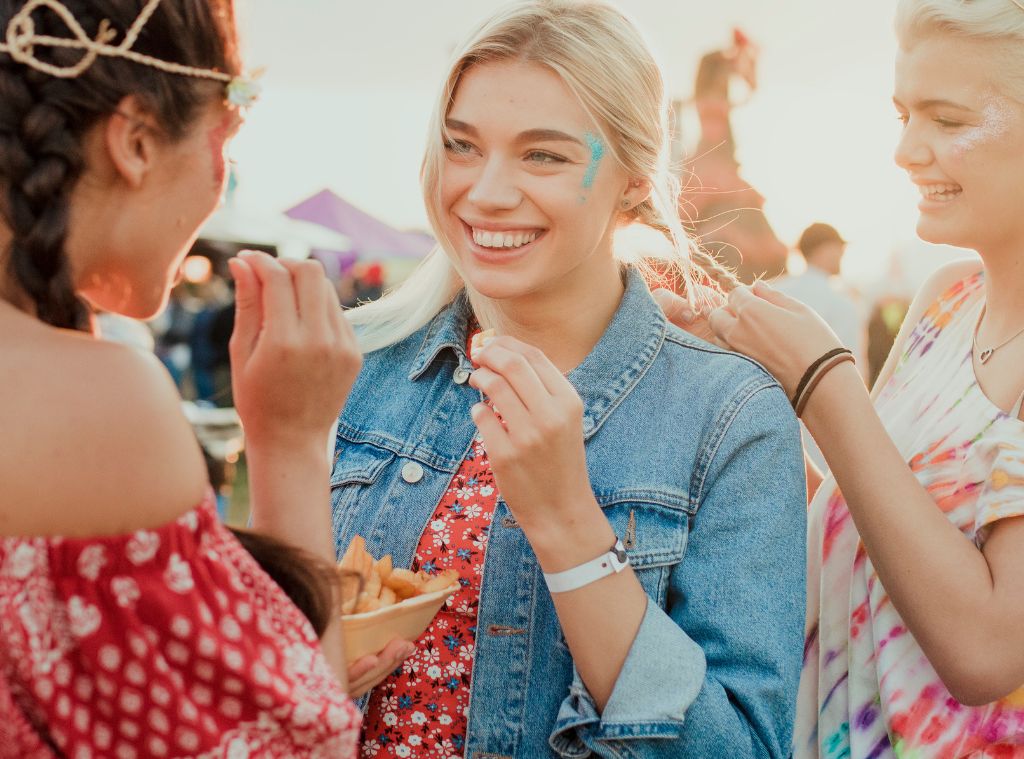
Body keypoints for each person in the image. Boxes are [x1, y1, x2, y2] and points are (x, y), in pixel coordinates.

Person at [336, 2, 808, 757]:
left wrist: (567, 524)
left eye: (543, 156)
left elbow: (742, 746)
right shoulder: (355, 367)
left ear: (632, 177)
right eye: (461, 147)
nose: (486, 192)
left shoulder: (732, 417)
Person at [0, 0, 364, 755]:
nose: (223, 184)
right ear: (134, 139)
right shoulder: (96, 405)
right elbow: (303, 743)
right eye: (225, 140)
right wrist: (290, 441)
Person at [661, 0, 1024, 754]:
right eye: (903, 114)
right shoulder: (945, 302)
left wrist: (825, 383)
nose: (905, 150)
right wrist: (734, 376)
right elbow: (863, 522)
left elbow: (986, 652)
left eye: (947, 120)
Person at [774, 223, 865, 368]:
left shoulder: (774, 290)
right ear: (825, 249)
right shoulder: (841, 302)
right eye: (840, 247)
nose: (842, 253)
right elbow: (853, 367)